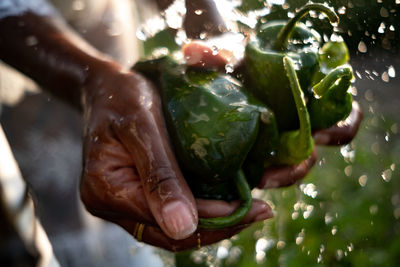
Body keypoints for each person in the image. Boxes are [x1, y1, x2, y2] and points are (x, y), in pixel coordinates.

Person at [0, 0, 362, 255]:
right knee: (23, 225)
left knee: (132, 126)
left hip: (97, 23)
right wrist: (90, 79)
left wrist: (211, 28)